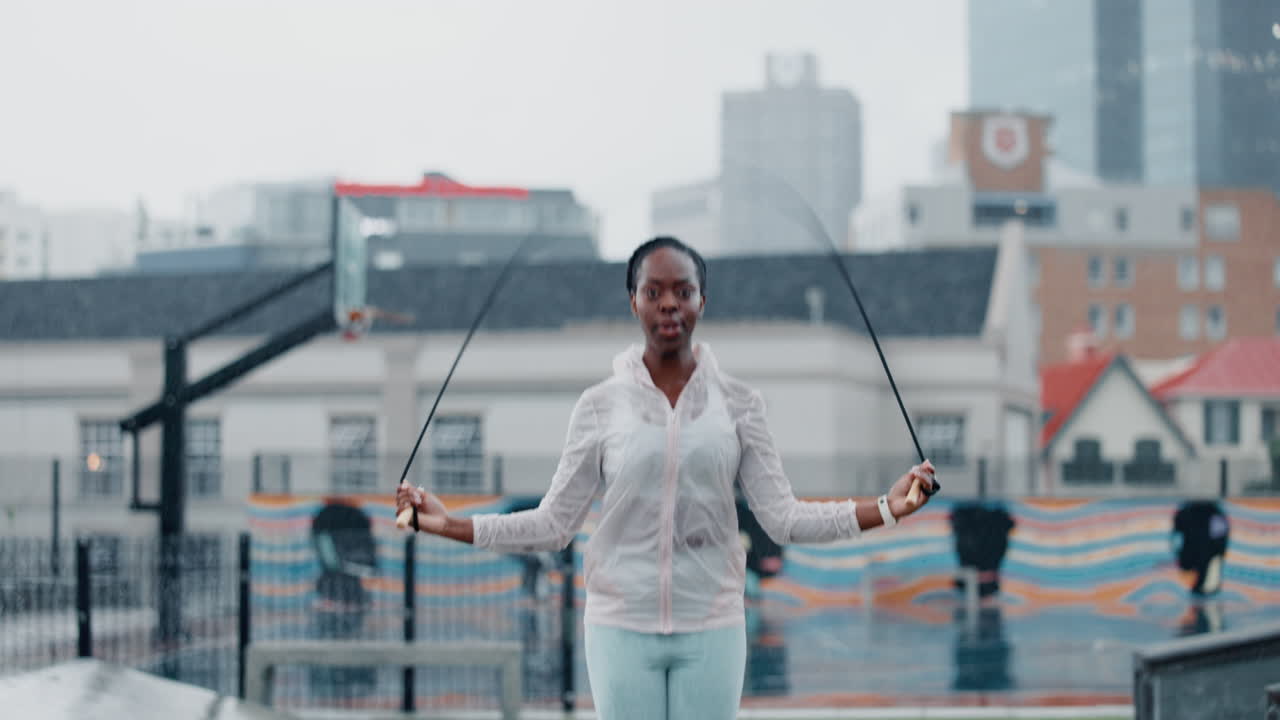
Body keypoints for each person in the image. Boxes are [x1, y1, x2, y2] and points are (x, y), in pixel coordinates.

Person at [397, 236, 937, 720]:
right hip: (619, 625)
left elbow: (784, 518)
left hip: (713, 626)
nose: (669, 304)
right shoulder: (599, 406)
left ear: (704, 300)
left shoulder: (740, 404)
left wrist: (887, 508)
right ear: (633, 301)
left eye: (683, 290)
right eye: (653, 291)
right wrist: (449, 525)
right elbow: (554, 524)